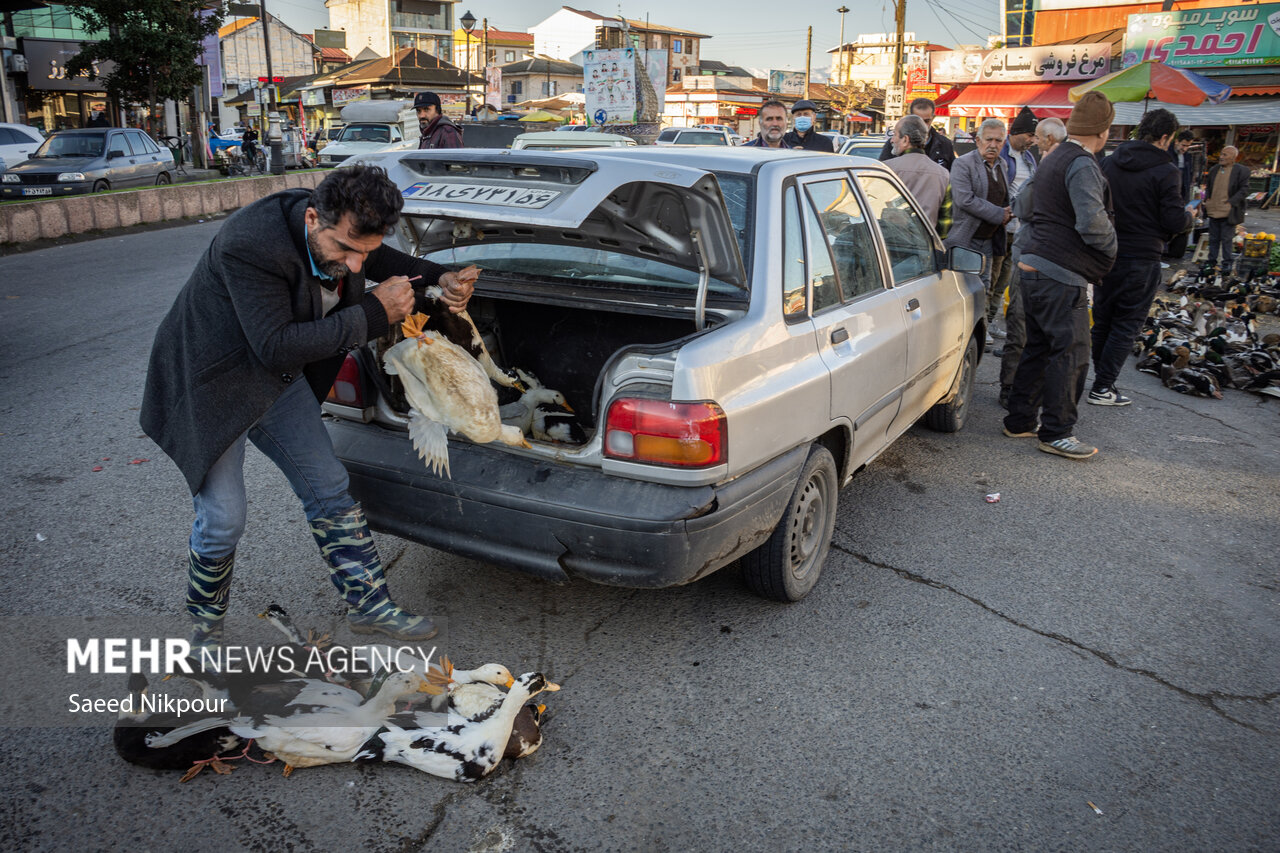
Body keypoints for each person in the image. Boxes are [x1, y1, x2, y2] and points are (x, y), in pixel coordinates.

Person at [141, 165, 477, 649]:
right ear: (314, 218)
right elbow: (276, 345)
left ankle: (371, 606)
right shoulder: (251, 243)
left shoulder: (344, 228)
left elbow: (378, 256)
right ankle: (203, 631)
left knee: (329, 485)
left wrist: (439, 276)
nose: (357, 266)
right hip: (214, 382)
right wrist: (374, 312)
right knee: (224, 517)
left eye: (364, 251)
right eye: (345, 250)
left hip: (275, 378)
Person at [1003, 91, 1116, 460]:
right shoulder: (1082, 164)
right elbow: (1092, 223)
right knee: (1070, 353)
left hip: (1032, 266)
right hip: (1059, 273)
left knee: (1037, 348)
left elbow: (1024, 205)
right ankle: (1057, 432)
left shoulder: (1052, 157)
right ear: (1103, 132)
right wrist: (1112, 249)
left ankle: (1019, 420)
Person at [1090, 109, 1194, 407]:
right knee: (1127, 323)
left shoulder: (1109, 162)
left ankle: (1101, 380)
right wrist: (1189, 217)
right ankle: (1103, 386)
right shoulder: (1166, 170)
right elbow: (1174, 220)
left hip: (1107, 251)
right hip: (1142, 256)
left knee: (1103, 320)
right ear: (1165, 137)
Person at [998, 117, 1066, 409]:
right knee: (1031, 327)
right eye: (1032, 136)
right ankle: (1019, 391)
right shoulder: (1070, 166)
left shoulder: (1046, 168)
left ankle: (1015, 390)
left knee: (1023, 325)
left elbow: (1021, 207)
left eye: (1037, 137)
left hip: (1033, 254)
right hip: (1049, 257)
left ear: (1049, 140)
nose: (1034, 142)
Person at [944, 118, 1010, 328]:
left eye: (998, 140)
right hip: (966, 237)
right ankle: (958, 330)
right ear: (978, 140)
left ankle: (979, 329)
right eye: (989, 139)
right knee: (963, 289)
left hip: (989, 238)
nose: (993, 144)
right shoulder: (963, 163)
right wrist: (1000, 214)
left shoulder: (1002, 164)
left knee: (985, 286)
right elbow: (965, 200)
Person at [989, 107, 1039, 340]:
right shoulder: (1002, 153)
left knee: (1004, 280)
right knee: (992, 276)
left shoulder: (1029, 158)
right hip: (1000, 227)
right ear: (1016, 133)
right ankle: (984, 322)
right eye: (1030, 135)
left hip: (1020, 231)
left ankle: (990, 322)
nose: (1032, 140)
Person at [885, 114, 948, 226]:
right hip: (927, 241)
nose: (892, 140)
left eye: (894, 134)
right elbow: (945, 221)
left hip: (889, 239)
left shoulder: (886, 169)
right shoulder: (943, 174)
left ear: (905, 140)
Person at [1201, 145, 1250, 271]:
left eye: (1225, 155)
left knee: (1227, 238)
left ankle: (1227, 262)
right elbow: (1209, 187)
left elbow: (1244, 189)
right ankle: (1211, 261)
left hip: (1228, 210)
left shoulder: (1241, 170)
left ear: (1233, 158)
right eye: (1221, 154)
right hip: (1214, 209)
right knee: (1213, 238)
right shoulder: (1214, 169)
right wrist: (1207, 200)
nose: (1221, 157)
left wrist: (1231, 203)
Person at [879, 97, 955, 170]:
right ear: (909, 117)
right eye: (917, 120)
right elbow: (883, 172)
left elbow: (952, 174)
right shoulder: (894, 143)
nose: (922, 125)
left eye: (926, 121)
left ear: (933, 118)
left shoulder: (945, 144)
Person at [1173, 131, 1195, 204]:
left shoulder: (1188, 156)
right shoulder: (1167, 154)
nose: (1185, 149)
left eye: (1188, 146)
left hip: (1182, 195)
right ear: (1176, 141)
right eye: (1183, 145)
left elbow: (1189, 174)